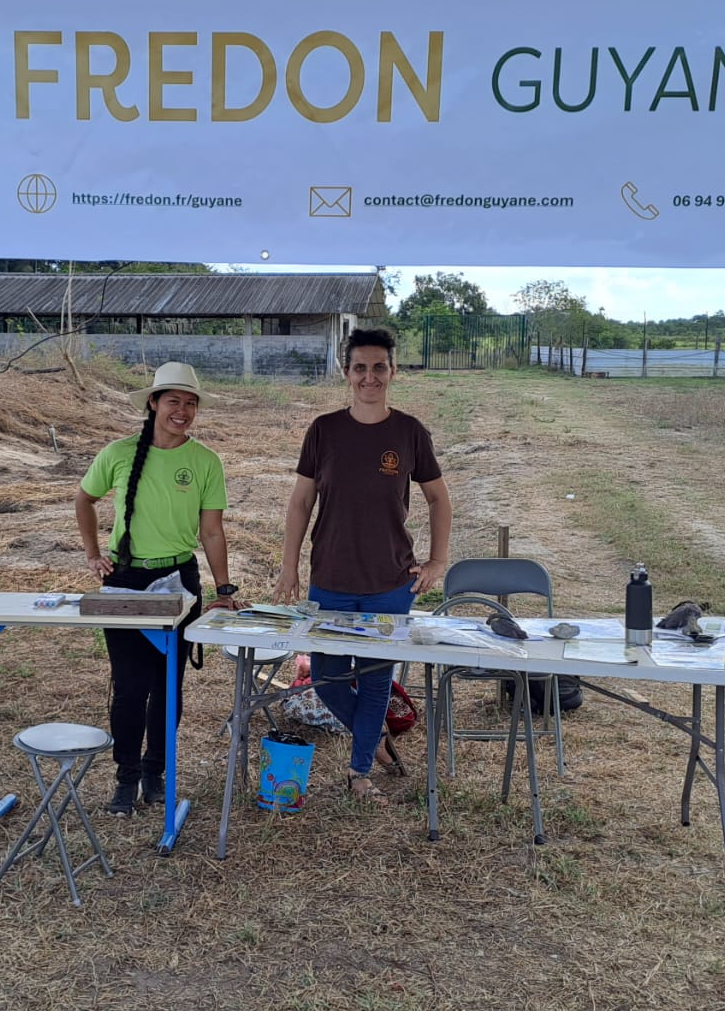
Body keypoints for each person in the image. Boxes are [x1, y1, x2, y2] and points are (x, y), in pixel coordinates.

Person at [275, 328, 451, 807]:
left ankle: (359, 772)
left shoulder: (411, 432)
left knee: (375, 680)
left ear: (393, 371)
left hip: (389, 584)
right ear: (346, 372)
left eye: (378, 367)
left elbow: (438, 498)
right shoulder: (324, 430)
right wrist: (289, 568)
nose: (369, 377)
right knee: (329, 677)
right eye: (360, 368)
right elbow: (300, 502)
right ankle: (374, 742)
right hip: (329, 578)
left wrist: (437, 560)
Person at [75, 361, 241, 817]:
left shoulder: (205, 461)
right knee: (130, 687)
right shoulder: (119, 452)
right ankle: (125, 778)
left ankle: (156, 773)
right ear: (153, 403)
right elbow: (84, 499)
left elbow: (211, 531)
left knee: (168, 685)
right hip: (125, 580)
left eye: (190, 403)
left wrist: (223, 587)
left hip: (178, 581)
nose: (182, 411)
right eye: (173, 401)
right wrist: (93, 553)